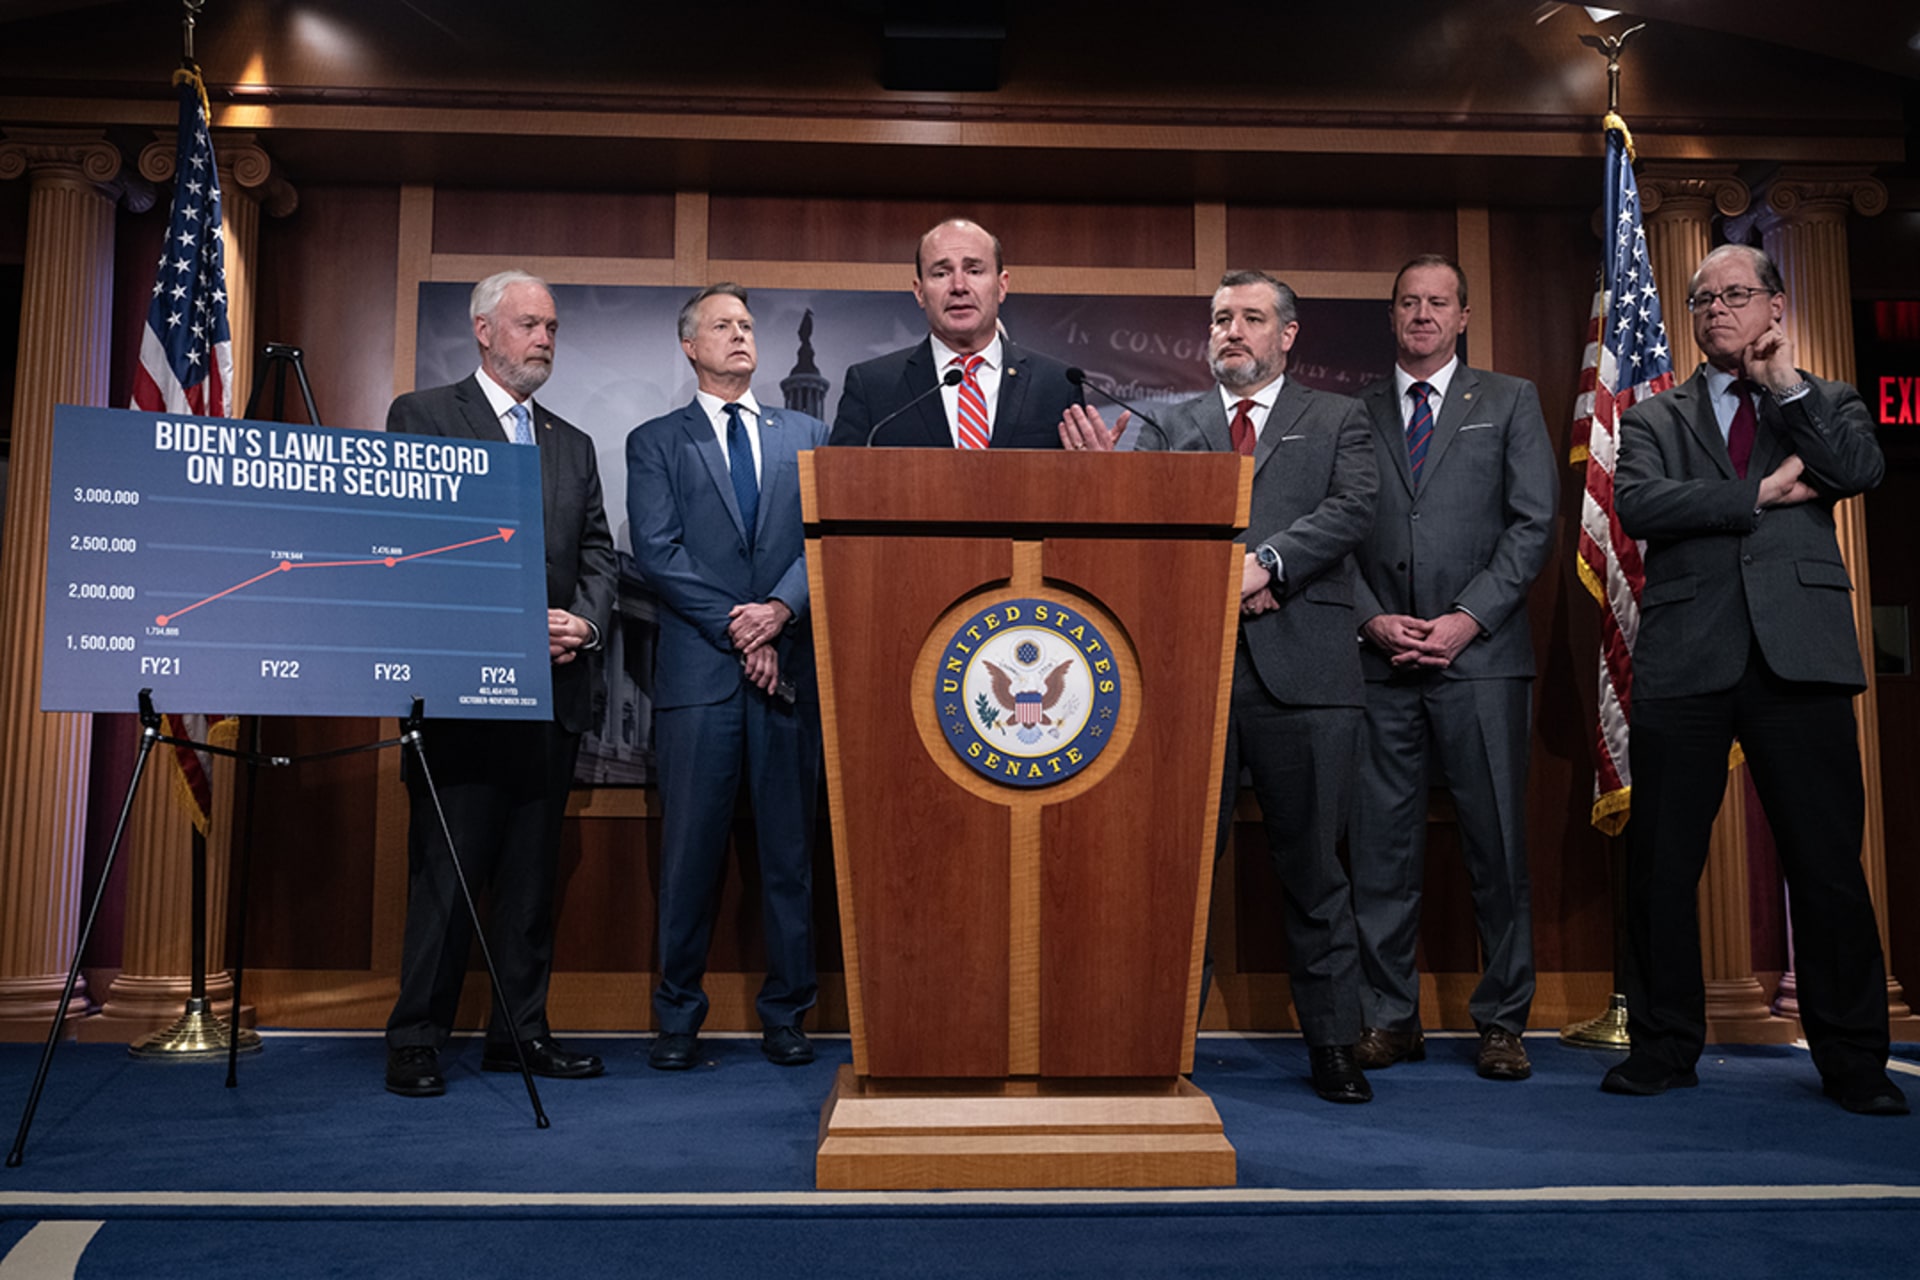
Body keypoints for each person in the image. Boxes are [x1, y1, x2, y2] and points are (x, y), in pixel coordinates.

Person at [1060, 269, 1380, 1103]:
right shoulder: (1169, 423)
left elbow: (1352, 511)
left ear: (1288, 334)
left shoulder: (1340, 417)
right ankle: (1160, 1046)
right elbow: (1141, 534)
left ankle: (1335, 1045)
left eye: (1249, 318)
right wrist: (1115, 490)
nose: (1230, 331)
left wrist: (1269, 564)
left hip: (1306, 675)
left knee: (1316, 871)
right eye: (1219, 319)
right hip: (1187, 676)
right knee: (1178, 873)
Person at [1611, 242, 1904, 1115]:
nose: (1717, 312)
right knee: (1663, 865)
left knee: (1826, 867)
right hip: (1686, 656)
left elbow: (1856, 470)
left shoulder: (1827, 400)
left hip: (1800, 658)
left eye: (1736, 295)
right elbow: (1638, 504)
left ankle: (1852, 1061)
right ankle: (1663, 1048)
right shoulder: (1657, 417)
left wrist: (1785, 390)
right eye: (1703, 301)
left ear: (1775, 306)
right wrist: (1759, 497)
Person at [384, 270, 616, 1097]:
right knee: (446, 874)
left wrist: (583, 624)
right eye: (529, 325)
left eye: (552, 326)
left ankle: (519, 1034)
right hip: (458, 697)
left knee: (528, 882)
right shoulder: (423, 416)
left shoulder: (572, 443)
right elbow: (418, 543)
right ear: (484, 331)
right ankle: (416, 1038)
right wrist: (510, 625)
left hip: (551, 699)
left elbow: (598, 554)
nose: (545, 339)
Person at [1348, 255, 1557, 1082]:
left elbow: (1532, 525)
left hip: (1484, 662)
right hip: (1380, 662)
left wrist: (1467, 619)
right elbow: (1333, 526)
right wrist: (1370, 617)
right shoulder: (1351, 411)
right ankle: (1387, 1019)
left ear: (1464, 315)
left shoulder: (1509, 400)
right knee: (1378, 854)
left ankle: (1503, 1022)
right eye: (1408, 302)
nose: (1422, 315)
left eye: (1438, 303)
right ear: (1392, 314)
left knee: (1497, 846)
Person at [627, 284, 829, 1071]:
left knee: (788, 860)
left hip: (788, 679)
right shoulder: (656, 441)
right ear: (689, 345)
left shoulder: (808, 432)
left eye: (747, 325)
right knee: (689, 862)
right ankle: (677, 1021)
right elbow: (658, 550)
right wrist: (741, 626)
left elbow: (823, 535)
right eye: (722, 325)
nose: (740, 336)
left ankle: (788, 1017)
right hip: (700, 684)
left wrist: (778, 610)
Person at [828, 217, 1081, 448]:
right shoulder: (872, 386)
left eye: (974, 271)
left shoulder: (1057, 385)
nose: (959, 286)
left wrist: (1095, 466)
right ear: (919, 292)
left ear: (1001, 286)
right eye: (941, 273)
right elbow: (838, 484)